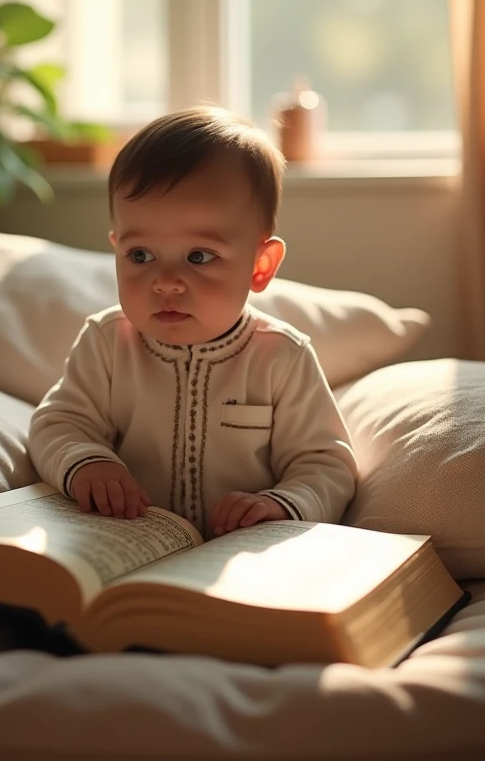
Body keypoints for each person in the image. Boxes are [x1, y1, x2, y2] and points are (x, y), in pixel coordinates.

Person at [28, 107, 356, 537]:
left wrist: (280, 503)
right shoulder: (107, 342)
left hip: (237, 554)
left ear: (260, 265)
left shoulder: (283, 357)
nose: (165, 283)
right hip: (127, 542)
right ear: (117, 249)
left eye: (199, 256)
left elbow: (326, 463)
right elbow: (57, 423)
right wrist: (89, 461)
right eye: (140, 255)